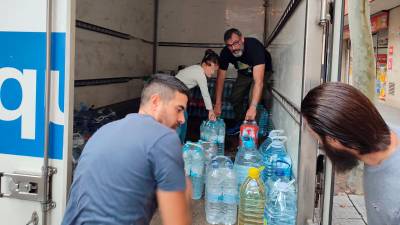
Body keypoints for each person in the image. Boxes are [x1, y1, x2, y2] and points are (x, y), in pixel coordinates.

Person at [62, 75, 192, 225]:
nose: (182, 119)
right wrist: (184, 193)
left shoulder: (104, 131)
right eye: (179, 109)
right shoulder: (164, 138)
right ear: (156, 102)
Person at [301, 82, 400, 225]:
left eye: (318, 139)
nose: (320, 145)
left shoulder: (395, 190)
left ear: (333, 140)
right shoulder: (380, 132)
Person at [214, 28, 273, 134]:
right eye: (229, 45)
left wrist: (253, 107)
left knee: (253, 100)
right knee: (234, 97)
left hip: (261, 71)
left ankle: (253, 131)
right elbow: (220, 78)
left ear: (242, 39)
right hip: (244, 72)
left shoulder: (254, 47)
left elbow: (258, 82)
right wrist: (217, 103)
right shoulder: (226, 52)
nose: (233, 48)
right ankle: (241, 123)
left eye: (236, 43)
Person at [175, 49, 219, 142]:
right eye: (212, 69)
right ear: (207, 64)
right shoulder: (200, 74)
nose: (212, 73)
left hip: (176, 94)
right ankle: (178, 143)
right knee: (180, 121)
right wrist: (210, 111)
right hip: (174, 96)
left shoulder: (196, 68)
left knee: (183, 118)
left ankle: (180, 142)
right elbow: (205, 94)